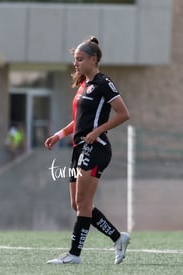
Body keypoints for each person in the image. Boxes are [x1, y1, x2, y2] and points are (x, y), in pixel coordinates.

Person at [44, 36, 131, 265]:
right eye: (75, 60)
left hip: (96, 147)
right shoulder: (83, 85)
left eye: (80, 59)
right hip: (78, 148)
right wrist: (59, 135)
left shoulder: (103, 82)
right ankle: (118, 237)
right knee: (77, 204)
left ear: (94, 59)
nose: (76, 64)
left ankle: (74, 255)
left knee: (83, 203)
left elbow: (123, 114)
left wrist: (97, 132)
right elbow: (78, 122)